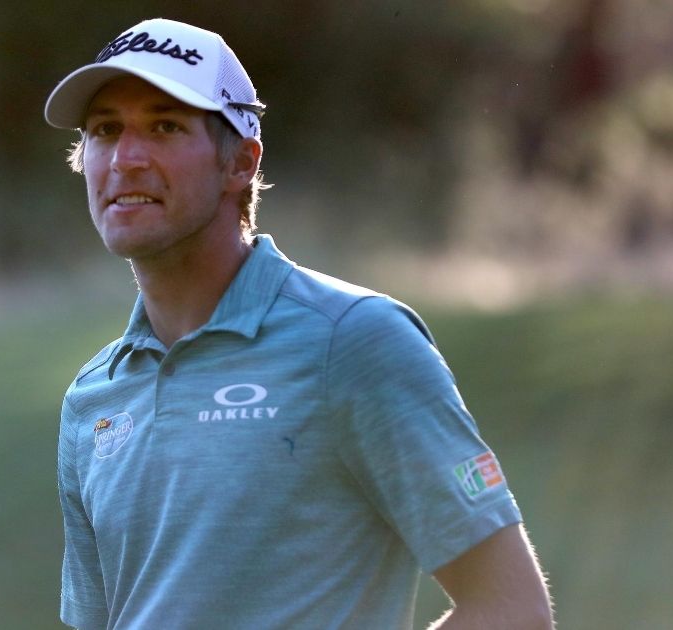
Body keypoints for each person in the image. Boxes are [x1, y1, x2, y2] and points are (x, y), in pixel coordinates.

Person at [45, 18, 554, 630]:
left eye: (165, 125)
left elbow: (509, 607)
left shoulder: (355, 341)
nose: (126, 157)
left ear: (241, 162)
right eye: (105, 130)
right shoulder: (93, 399)